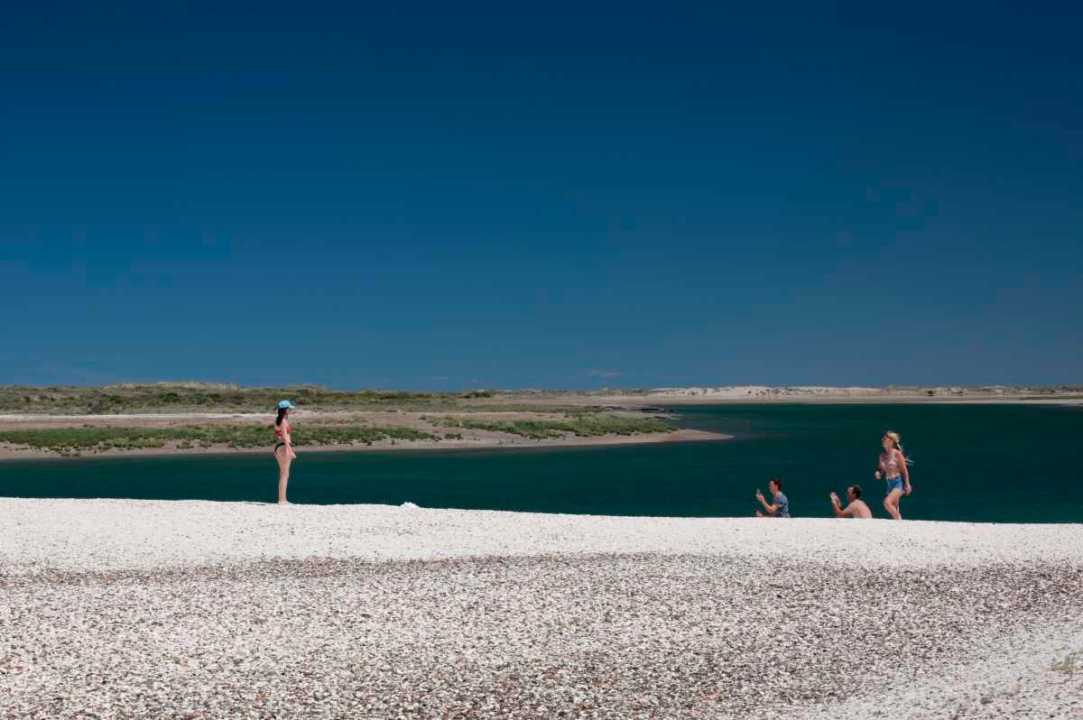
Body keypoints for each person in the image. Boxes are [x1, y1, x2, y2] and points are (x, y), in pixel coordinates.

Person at [875, 430, 911, 520]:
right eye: (883, 439)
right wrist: (878, 473)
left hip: (898, 482)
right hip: (889, 483)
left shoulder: (897, 454)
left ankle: (899, 519)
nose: (883, 440)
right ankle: (899, 524)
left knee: (887, 503)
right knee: (894, 508)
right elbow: (881, 470)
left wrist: (907, 484)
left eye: (885, 438)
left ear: (891, 441)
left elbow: (904, 470)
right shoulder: (882, 456)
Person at [273, 400, 297, 505]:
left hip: (279, 447)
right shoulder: (283, 421)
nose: (290, 410)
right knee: (285, 474)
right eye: (289, 408)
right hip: (284, 447)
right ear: (285, 409)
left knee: (283, 474)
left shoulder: (277, 420)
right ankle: (282, 500)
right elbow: (284, 437)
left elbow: (279, 436)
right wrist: (290, 450)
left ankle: (282, 499)